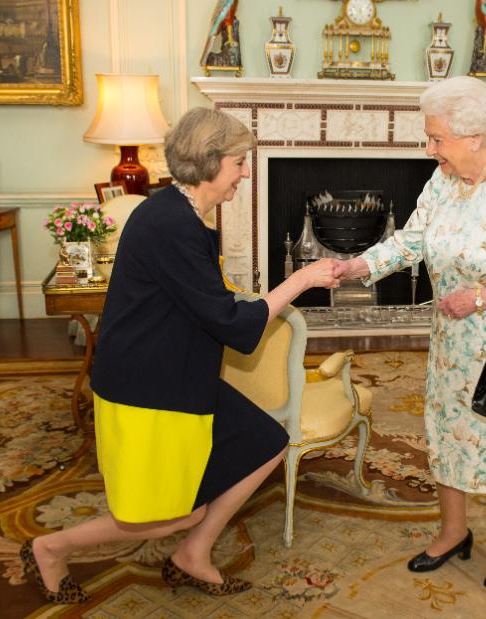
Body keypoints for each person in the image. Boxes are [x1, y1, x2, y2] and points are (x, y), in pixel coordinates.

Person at [20, 107, 341, 603]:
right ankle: (50, 546)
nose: (246, 172)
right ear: (211, 163)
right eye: (239, 162)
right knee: (174, 512)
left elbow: (207, 299)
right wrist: (300, 279)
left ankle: (193, 554)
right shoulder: (169, 222)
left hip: (179, 370)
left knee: (267, 440)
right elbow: (232, 325)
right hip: (147, 386)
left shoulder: (183, 212)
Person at [333, 76, 486, 591]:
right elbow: (412, 240)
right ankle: (453, 530)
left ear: (474, 138)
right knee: (447, 431)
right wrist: (358, 267)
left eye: (437, 138)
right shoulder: (443, 181)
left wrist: (481, 297)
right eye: (430, 136)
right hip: (452, 340)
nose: (429, 149)